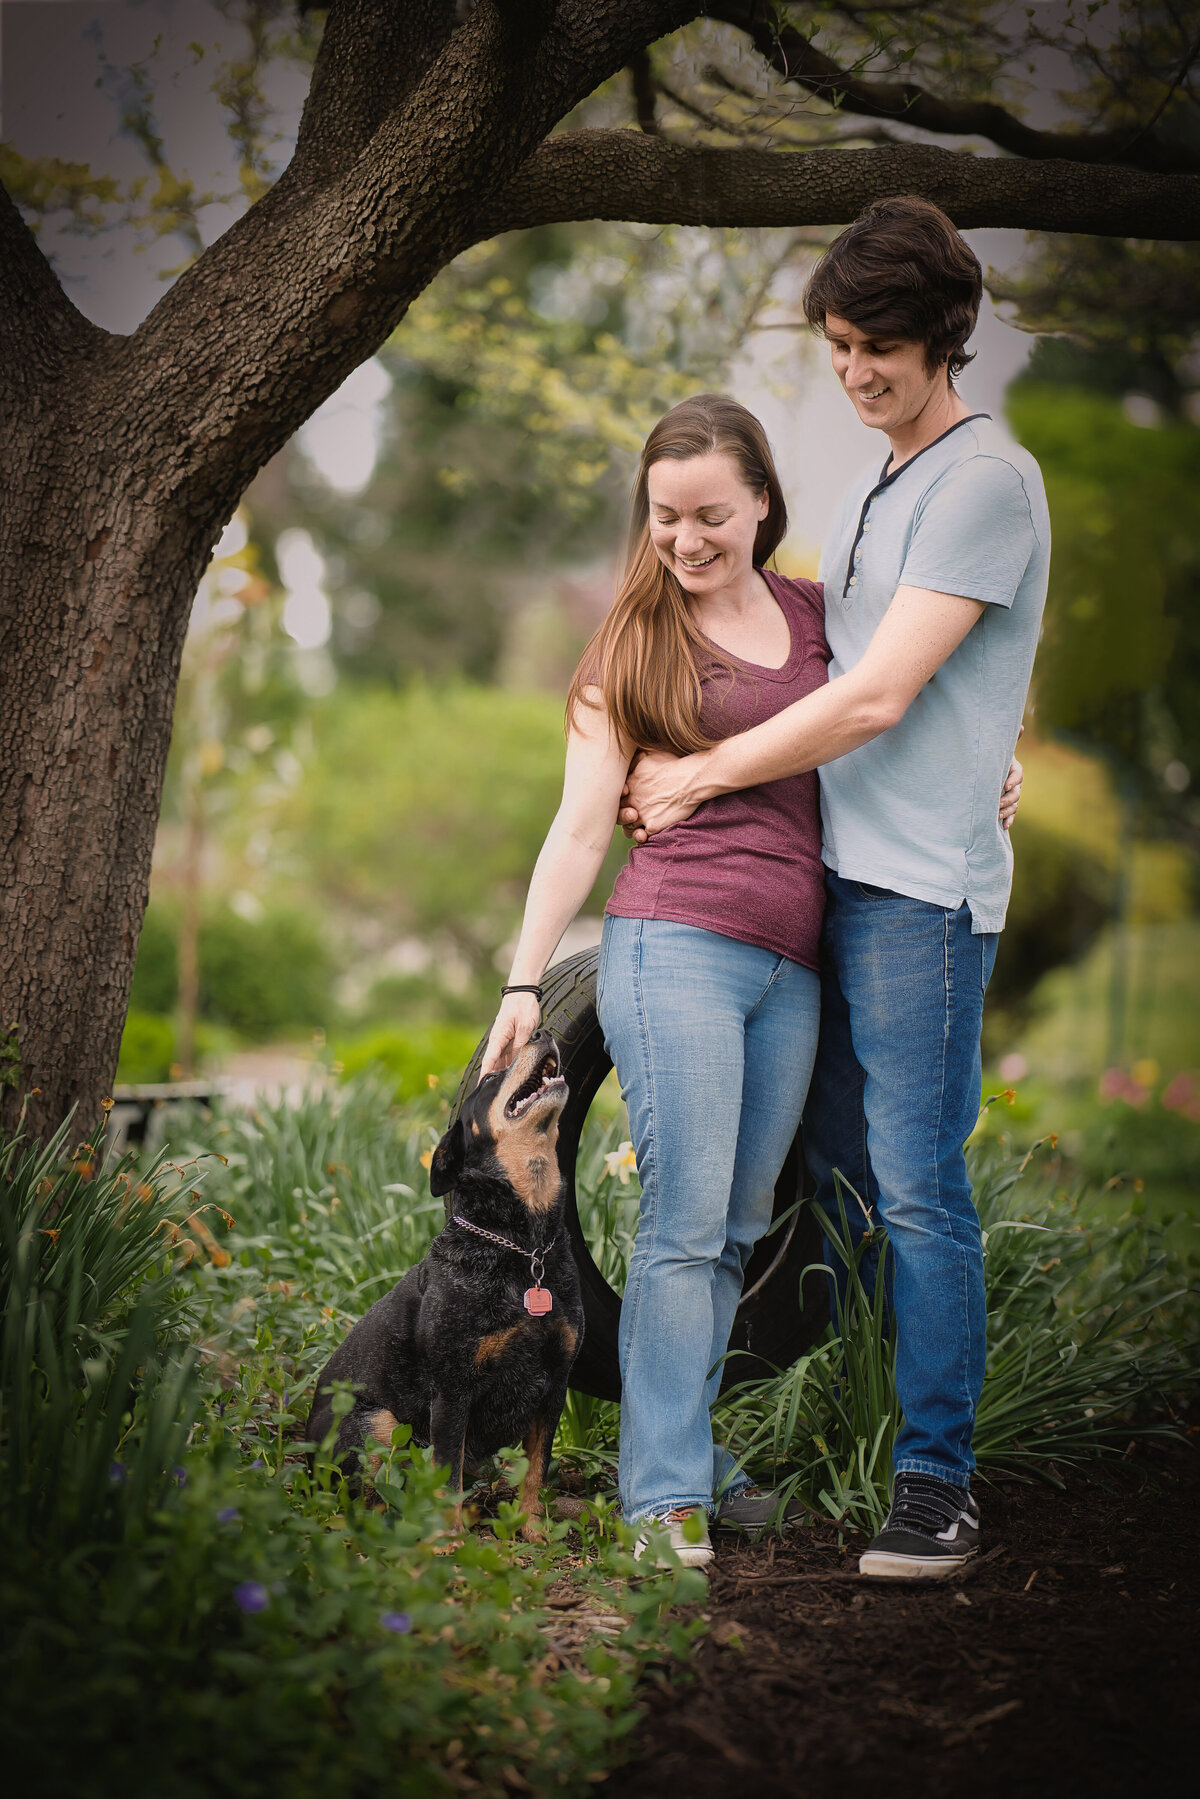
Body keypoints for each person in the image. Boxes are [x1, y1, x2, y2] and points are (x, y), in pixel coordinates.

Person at [620, 196, 1048, 1579]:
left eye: (882, 345)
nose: (857, 369)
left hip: (921, 901)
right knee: (832, 1191)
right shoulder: (880, 481)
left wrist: (700, 774)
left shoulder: (988, 476)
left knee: (918, 1188)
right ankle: (742, 1442)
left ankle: (936, 1478)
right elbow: (861, 652)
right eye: (842, 345)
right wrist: (1002, 742)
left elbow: (871, 694)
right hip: (833, 887)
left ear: (946, 336)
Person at [481, 394, 830, 1567]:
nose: (685, 539)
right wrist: (525, 982)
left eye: (710, 515)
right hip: (673, 942)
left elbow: (896, 718)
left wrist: (999, 779)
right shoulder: (631, 647)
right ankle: (662, 1499)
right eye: (665, 515)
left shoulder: (817, 615)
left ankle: (684, 1456)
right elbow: (582, 828)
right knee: (685, 1225)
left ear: (763, 502)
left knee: (734, 1225)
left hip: (794, 964)